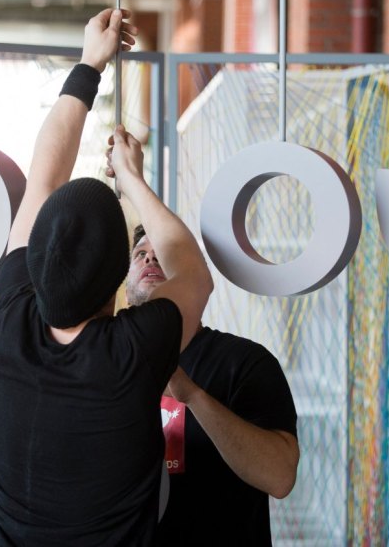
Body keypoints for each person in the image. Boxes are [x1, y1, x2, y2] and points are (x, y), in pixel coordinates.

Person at [0, 8, 213, 546]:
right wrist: (132, 179)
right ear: (116, 279)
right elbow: (194, 273)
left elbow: (42, 175)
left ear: (33, 263)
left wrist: (89, 66)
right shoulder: (127, 353)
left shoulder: (8, 326)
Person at [124, 224, 300, 547]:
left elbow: (280, 477)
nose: (150, 259)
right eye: (140, 255)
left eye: (161, 254)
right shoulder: (106, 363)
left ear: (195, 278)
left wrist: (190, 394)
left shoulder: (245, 363)